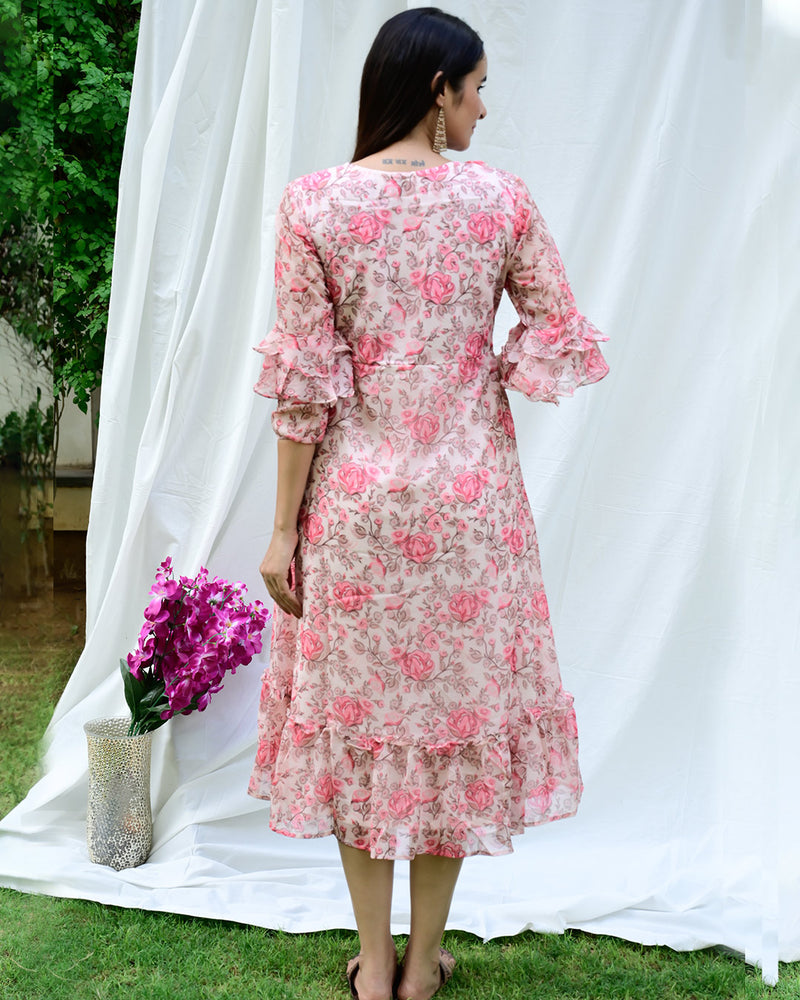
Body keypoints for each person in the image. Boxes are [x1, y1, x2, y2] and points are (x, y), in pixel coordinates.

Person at [249, 8, 609, 999]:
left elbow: (303, 387)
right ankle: (417, 968)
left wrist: (282, 530)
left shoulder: (312, 205)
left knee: (358, 734)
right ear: (437, 87)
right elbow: (556, 331)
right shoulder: (500, 202)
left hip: (357, 507)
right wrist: (482, 375)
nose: (485, 109)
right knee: (447, 732)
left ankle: (371, 964)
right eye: (479, 88)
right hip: (469, 505)